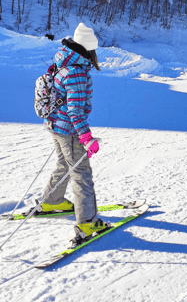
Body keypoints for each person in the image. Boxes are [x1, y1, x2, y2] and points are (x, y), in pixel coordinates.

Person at [39, 23, 108, 246]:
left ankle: (52, 202)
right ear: (88, 48)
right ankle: (87, 222)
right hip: (68, 129)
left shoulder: (64, 61)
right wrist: (86, 138)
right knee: (81, 173)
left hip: (55, 125)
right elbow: (75, 111)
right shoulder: (77, 71)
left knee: (64, 164)